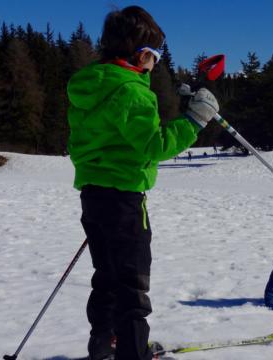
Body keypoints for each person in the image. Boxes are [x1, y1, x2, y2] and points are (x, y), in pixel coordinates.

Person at [66, 6, 219, 360]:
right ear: (140, 53)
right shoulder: (132, 93)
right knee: (131, 284)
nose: (157, 62)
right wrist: (194, 120)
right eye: (156, 54)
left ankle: (104, 344)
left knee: (106, 276)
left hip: (94, 196)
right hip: (124, 200)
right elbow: (154, 146)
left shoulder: (91, 84)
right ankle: (132, 351)